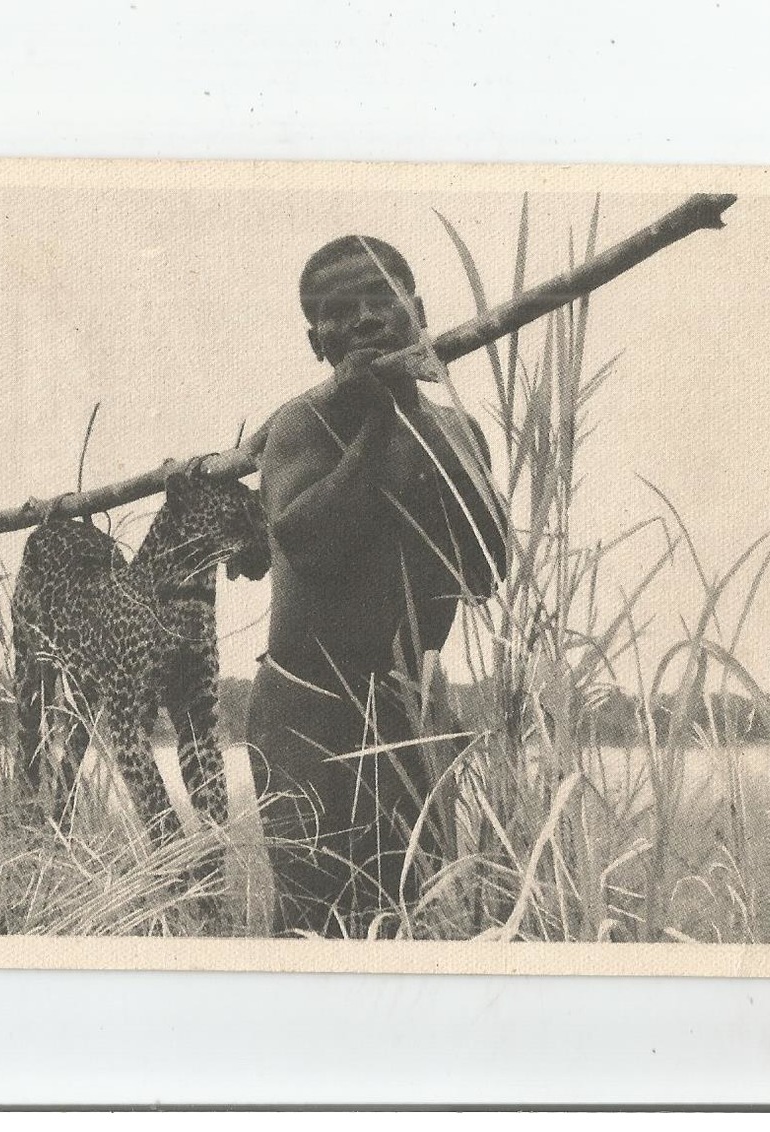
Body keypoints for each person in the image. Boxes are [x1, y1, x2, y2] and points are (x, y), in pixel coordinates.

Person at [246, 236, 509, 937]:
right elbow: (308, 545)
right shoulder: (302, 423)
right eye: (338, 311)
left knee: (406, 906)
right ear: (315, 342)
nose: (363, 320)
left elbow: (488, 570)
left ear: (416, 313)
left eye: (380, 301)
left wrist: (414, 428)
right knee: (312, 915)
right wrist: (376, 423)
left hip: (409, 711)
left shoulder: (458, 431)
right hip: (306, 712)